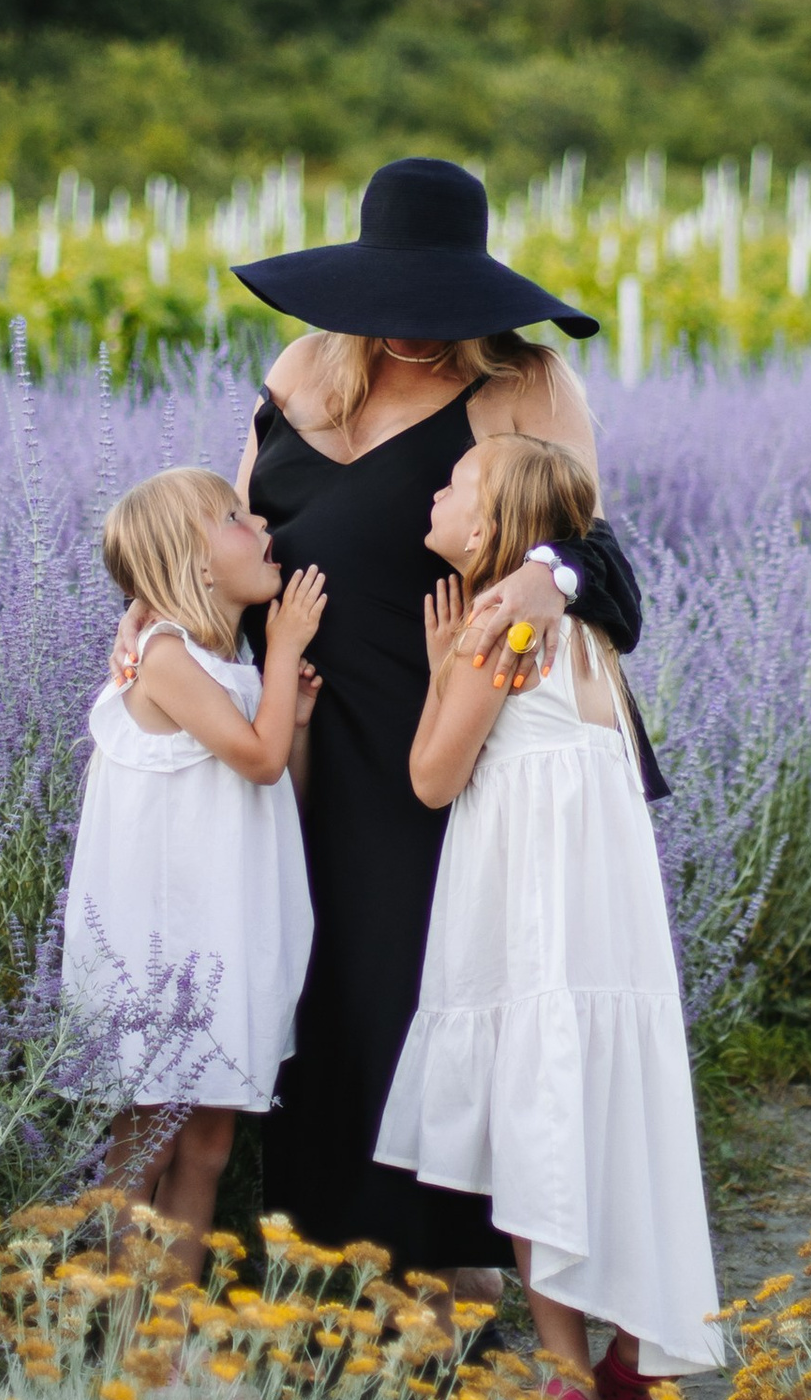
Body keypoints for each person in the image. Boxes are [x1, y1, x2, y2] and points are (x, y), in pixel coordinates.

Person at [215, 154, 654, 1277]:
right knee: (302, 984)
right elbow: (233, 530)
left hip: (438, 734)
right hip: (297, 728)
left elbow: (597, 561)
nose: (412, 332)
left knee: (412, 988)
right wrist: (160, 620)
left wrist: (543, 576)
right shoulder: (300, 369)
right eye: (392, 307)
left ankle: (427, 1273)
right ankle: (311, 1265)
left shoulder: (528, 386)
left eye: (437, 310)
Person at [379, 433, 723, 1400]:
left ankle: (565, 1373)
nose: (435, 491)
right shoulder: (582, 628)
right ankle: (629, 1358)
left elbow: (433, 778)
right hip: (603, 918)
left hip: (529, 910)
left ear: (491, 528)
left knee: (537, 1112)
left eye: (454, 484)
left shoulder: (495, 624)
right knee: (605, 1111)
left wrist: (441, 666)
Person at [67, 466, 324, 1263]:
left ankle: (169, 1347)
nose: (263, 527)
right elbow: (256, 759)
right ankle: (105, 1341)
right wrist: (284, 655)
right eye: (235, 519)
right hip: (162, 952)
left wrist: (298, 715)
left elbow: (281, 793)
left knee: (208, 1145)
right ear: (196, 561)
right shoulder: (166, 655)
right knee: (143, 1143)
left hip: (227, 943)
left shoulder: (231, 670)